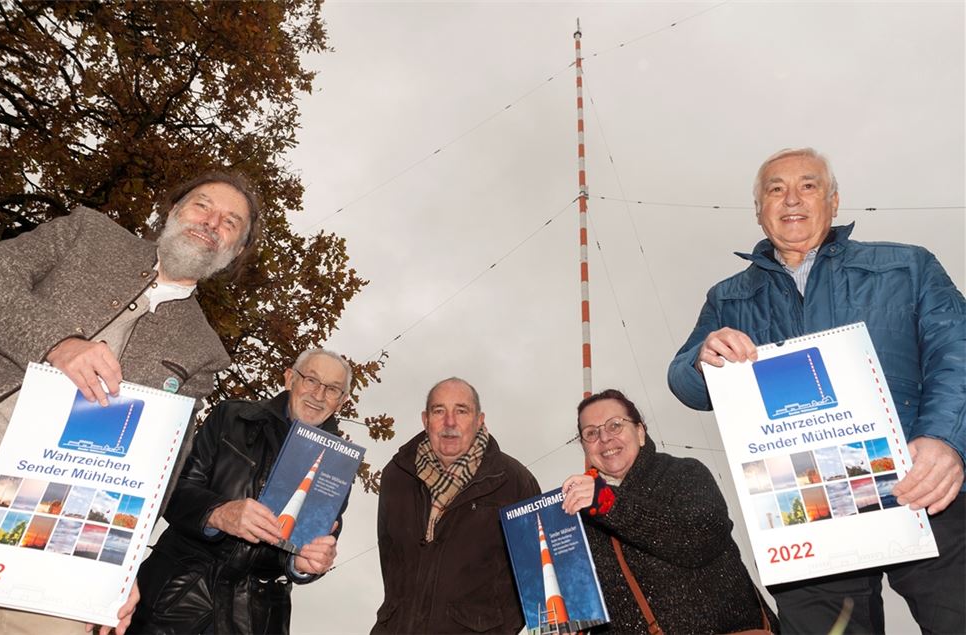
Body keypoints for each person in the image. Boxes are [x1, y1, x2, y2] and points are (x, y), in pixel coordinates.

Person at [0, 170, 261, 635]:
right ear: (173, 212)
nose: (212, 221)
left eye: (230, 223)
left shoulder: (204, 351)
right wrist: (56, 342)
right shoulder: (88, 233)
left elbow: (162, 464)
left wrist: (118, 563)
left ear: (233, 252)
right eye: (202, 205)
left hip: (54, 510)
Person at [667, 147, 965, 633]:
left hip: (923, 489)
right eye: (775, 189)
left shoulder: (907, 267)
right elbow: (686, 384)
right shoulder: (728, 297)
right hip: (806, 511)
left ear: (834, 200)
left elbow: (957, 351)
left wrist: (945, 441)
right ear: (759, 211)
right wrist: (703, 357)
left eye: (807, 185)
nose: (791, 199)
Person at [128, 348, 348, 634]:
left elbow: (313, 545)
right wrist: (218, 513)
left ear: (341, 402)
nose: (318, 395)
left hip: (256, 617)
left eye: (332, 389)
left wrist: (304, 564)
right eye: (311, 380)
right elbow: (172, 493)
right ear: (290, 378)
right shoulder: (231, 416)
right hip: (176, 598)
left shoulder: (338, 465)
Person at [561, 389, 778, 633]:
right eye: (591, 433)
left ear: (640, 432)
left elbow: (700, 538)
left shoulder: (684, 473)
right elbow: (587, 604)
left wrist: (609, 503)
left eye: (615, 425)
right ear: (584, 446)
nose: (604, 438)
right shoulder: (576, 514)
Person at [372, 377, 540, 634]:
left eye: (461, 411)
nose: (450, 422)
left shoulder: (515, 482)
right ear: (425, 420)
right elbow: (390, 559)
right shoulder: (397, 475)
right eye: (439, 411)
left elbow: (534, 577)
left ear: (479, 420)